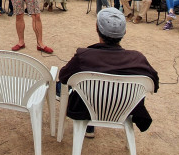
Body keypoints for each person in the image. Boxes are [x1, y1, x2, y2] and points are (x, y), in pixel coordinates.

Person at [58, 8, 159, 138]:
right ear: (125, 32)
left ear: (96, 28)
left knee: (67, 86)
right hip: (123, 108)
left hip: (87, 106)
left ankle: (89, 125)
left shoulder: (84, 56)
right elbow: (154, 85)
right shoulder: (138, 59)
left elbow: (64, 77)